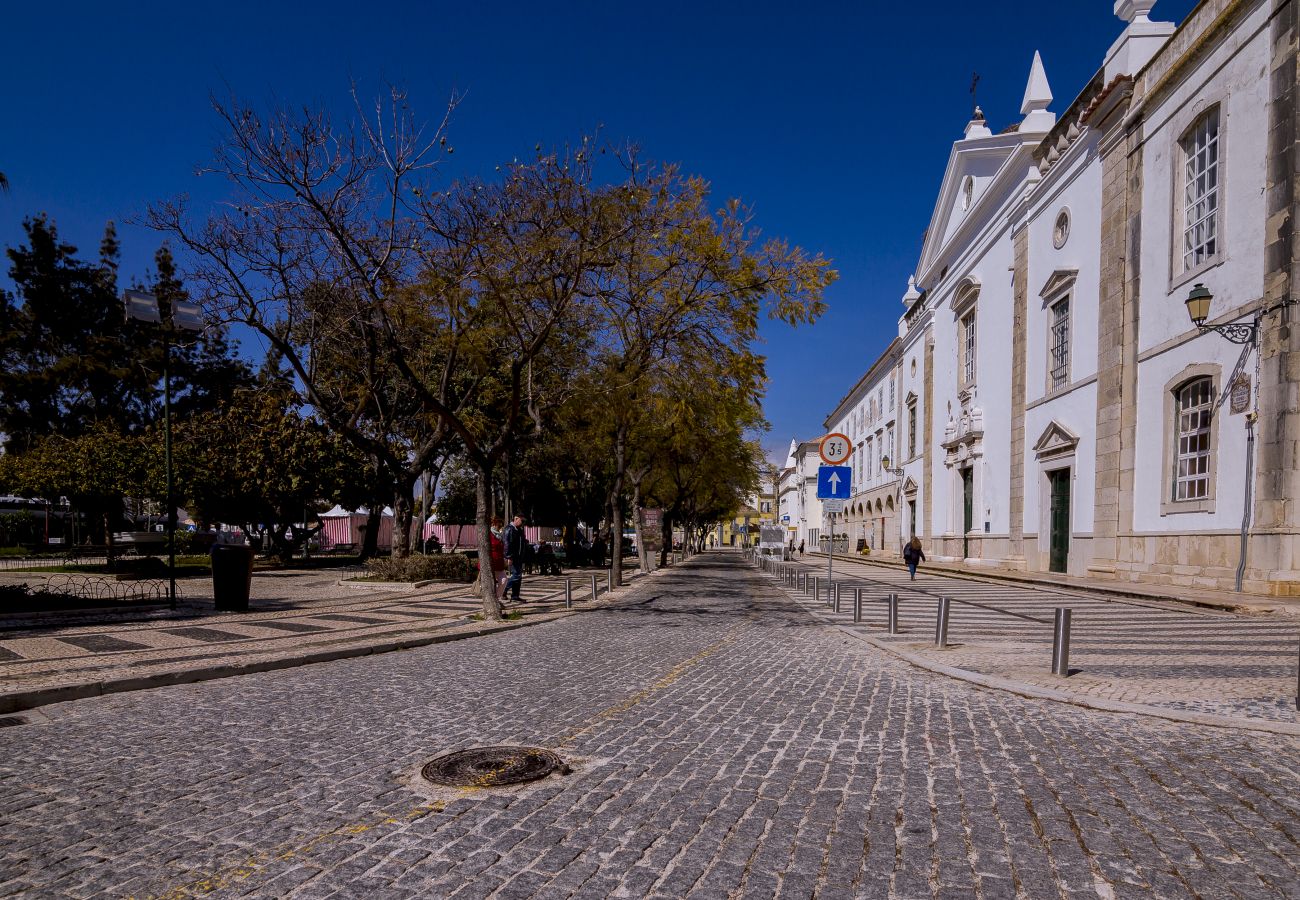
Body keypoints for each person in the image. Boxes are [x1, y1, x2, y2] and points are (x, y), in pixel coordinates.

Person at [502, 514, 527, 603]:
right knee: (517, 575)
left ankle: (515, 596)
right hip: (513, 556)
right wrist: (509, 556)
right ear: (516, 519)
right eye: (521, 521)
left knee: (519, 577)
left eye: (524, 522)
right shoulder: (509, 529)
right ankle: (503, 590)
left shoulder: (519, 530)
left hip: (519, 556)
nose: (522, 523)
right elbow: (506, 544)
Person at [488, 516, 508, 603]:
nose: (500, 526)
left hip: (499, 562)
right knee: (490, 584)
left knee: (504, 580)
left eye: (501, 525)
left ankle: (495, 599)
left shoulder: (499, 535)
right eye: (499, 524)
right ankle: (493, 601)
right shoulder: (489, 534)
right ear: (493, 524)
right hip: (491, 562)